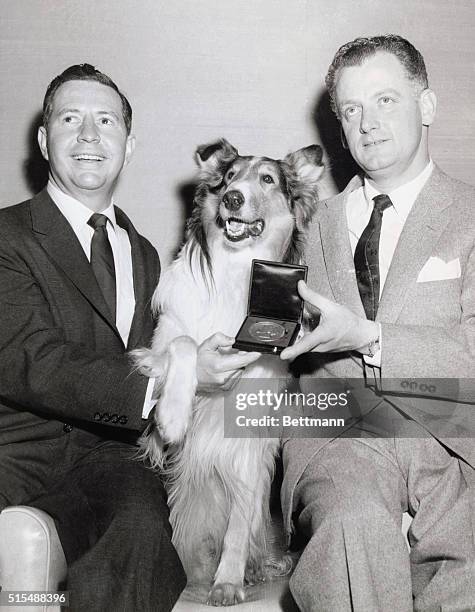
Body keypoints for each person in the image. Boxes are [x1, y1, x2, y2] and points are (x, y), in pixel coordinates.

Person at [0, 64, 260, 612]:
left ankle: (48, 553)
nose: (90, 136)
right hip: (20, 453)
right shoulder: (7, 235)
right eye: (71, 120)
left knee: (146, 539)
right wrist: (168, 383)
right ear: (45, 141)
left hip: (116, 459)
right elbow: (29, 360)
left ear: (128, 143)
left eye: (106, 121)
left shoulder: (143, 253)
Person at [279, 35, 475, 611]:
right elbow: (276, 332)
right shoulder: (310, 222)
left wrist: (369, 337)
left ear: (428, 106)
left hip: (453, 432)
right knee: (351, 528)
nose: (368, 123)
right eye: (352, 110)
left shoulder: (471, 216)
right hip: (341, 428)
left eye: (386, 101)